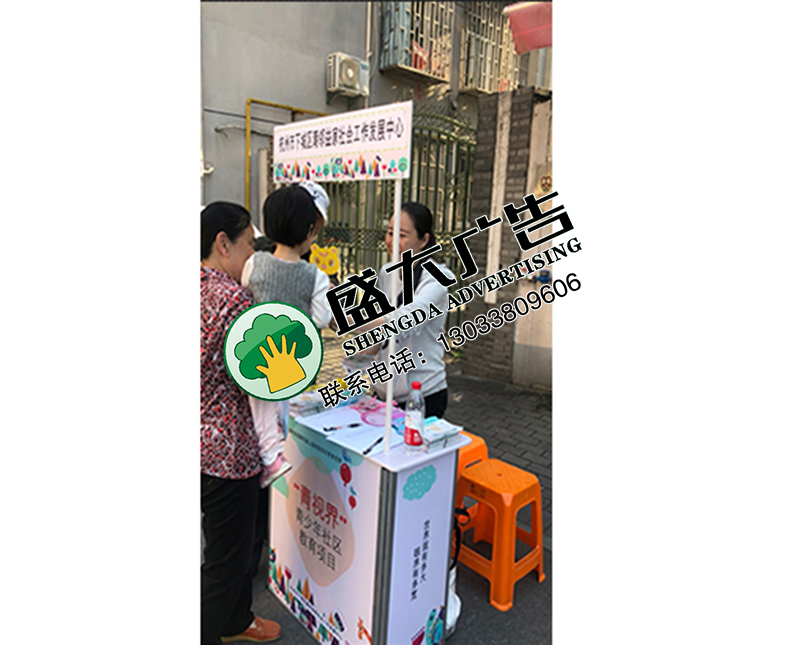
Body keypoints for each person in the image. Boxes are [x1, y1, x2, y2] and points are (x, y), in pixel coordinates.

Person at [201, 201, 281, 644]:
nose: (254, 254)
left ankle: (236, 622)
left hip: (199, 443)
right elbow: (258, 378)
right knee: (227, 562)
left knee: (220, 547)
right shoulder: (234, 300)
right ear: (223, 243)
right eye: (249, 243)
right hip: (228, 454)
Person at [241, 181, 333, 487]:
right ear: (309, 231)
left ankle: (269, 457)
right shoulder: (316, 276)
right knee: (283, 404)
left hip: (255, 351)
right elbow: (321, 318)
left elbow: (243, 298)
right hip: (292, 359)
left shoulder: (254, 262)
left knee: (259, 402)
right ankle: (274, 454)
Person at [370, 202, 454, 418]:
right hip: (384, 394)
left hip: (422, 396)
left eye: (402, 235)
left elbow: (403, 322)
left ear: (424, 240)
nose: (392, 242)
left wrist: (348, 319)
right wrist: (362, 359)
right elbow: (381, 326)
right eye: (390, 233)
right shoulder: (387, 272)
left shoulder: (437, 279)